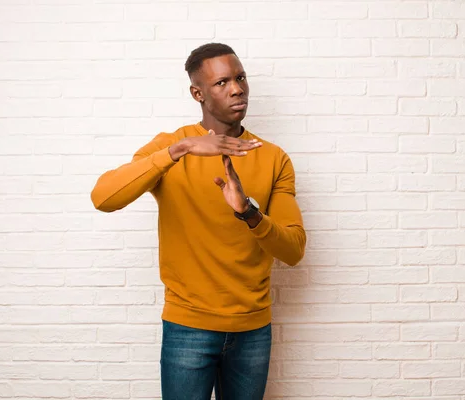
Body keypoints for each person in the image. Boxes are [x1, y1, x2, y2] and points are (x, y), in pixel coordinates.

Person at [90, 42, 306, 400]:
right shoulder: (170, 147)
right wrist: (180, 151)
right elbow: (103, 198)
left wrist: (249, 213)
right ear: (198, 93)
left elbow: (294, 249)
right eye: (222, 82)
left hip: (252, 330)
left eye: (240, 78)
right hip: (187, 327)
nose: (237, 88)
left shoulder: (273, 157)